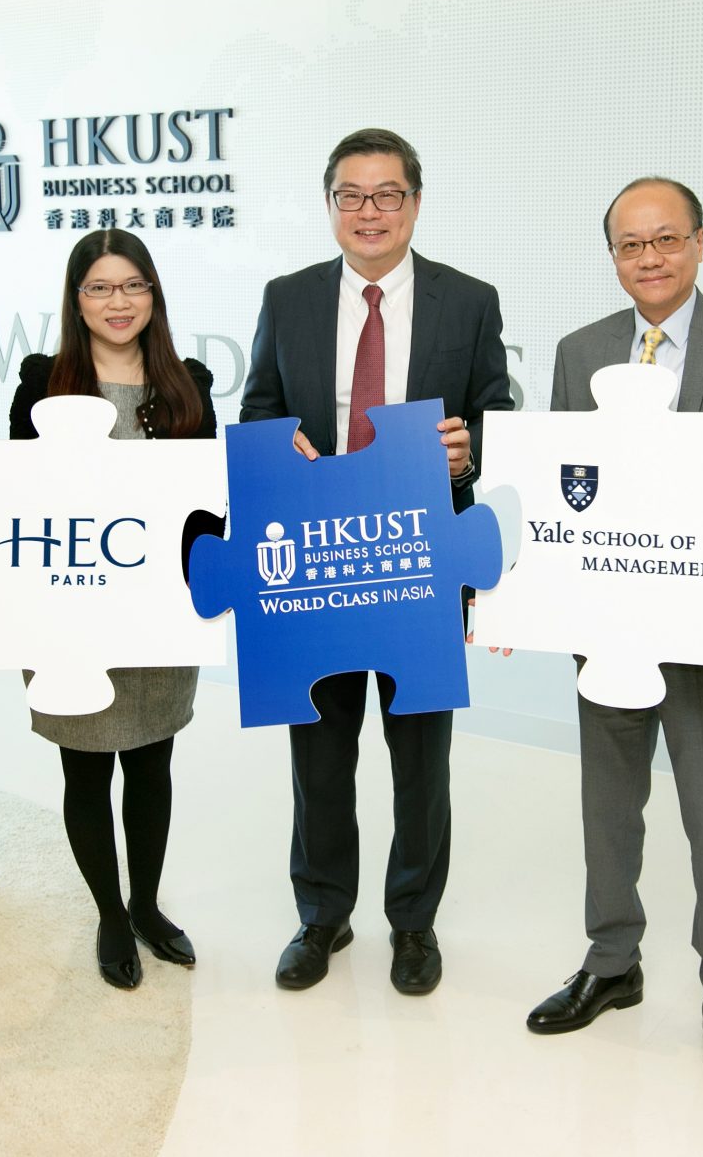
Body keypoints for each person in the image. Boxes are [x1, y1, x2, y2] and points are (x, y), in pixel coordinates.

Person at [523, 177, 703, 1100]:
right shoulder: (580, 353)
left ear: (696, 244)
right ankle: (613, 964)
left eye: (665, 240)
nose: (648, 259)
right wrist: (520, 596)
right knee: (608, 809)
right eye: (628, 245)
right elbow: (555, 487)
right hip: (607, 627)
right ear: (612, 255)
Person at [241, 127, 513, 995]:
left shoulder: (467, 301)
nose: (370, 211)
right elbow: (257, 410)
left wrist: (471, 451)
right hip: (315, 570)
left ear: (415, 204)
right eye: (351, 195)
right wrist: (277, 441)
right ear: (329, 207)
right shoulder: (286, 299)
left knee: (418, 757)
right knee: (318, 752)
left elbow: (498, 415)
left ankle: (413, 924)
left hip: (421, 565)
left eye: (387, 194)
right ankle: (321, 916)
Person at [0, 228, 216, 991]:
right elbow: (12, 498)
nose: (118, 302)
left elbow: (210, 511)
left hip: (161, 611)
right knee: (87, 768)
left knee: (153, 763)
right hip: (66, 614)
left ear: (153, 293)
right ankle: (109, 913)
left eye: (132, 286)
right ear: (77, 301)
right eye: (100, 288)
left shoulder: (187, 383)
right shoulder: (43, 385)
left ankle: (148, 905)